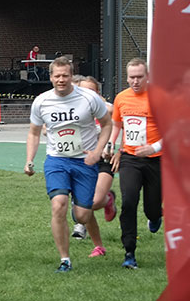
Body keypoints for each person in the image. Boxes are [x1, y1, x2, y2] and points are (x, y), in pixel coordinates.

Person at [25, 57, 111, 272]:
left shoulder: (89, 98)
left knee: (82, 215)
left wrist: (97, 152)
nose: (61, 80)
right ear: (50, 77)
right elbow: (34, 133)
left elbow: (107, 125)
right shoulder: (42, 101)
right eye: (57, 76)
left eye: (65, 75)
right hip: (57, 160)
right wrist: (29, 160)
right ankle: (65, 260)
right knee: (59, 204)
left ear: (72, 76)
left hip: (84, 161)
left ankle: (106, 200)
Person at [109, 58, 162, 269]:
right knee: (129, 201)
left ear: (148, 76)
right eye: (132, 77)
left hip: (156, 160)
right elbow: (116, 125)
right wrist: (111, 144)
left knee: (152, 208)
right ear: (127, 77)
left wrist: (154, 148)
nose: (135, 81)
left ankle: (155, 217)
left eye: (140, 77)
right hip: (130, 158)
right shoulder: (121, 98)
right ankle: (129, 252)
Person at [71, 76, 117, 257]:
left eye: (92, 91)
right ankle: (99, 246)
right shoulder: (74, 110)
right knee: (86, 204)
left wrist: (111, 148)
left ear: (98, 93)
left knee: (95, 201)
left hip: (103, 159)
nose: (88, 95)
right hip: (82, 159)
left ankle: (108, 199)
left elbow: (119, 123)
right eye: (84, 91)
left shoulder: (107, 109)